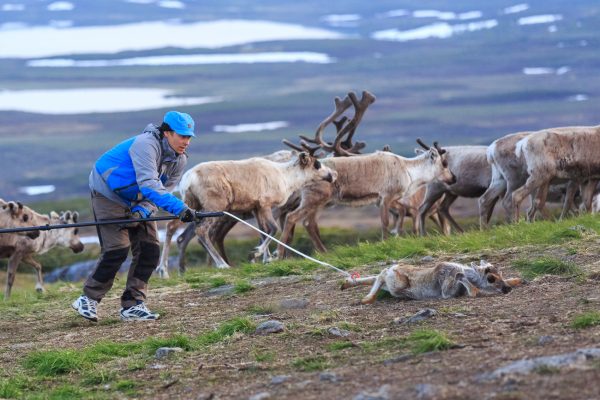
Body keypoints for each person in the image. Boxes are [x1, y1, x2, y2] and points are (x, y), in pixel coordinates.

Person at [72, 111, 197, 322]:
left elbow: (163, 189)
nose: (186, 141)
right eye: (181, 135)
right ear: (167, 133)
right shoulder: (145, 145)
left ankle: (133, 305)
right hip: (108, 194)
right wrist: (181, 209)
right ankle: (88, 299)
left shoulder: (180, 159)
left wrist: (145, 209)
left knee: (150, 250)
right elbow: (149, 183)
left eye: (189, 136)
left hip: (139, 198)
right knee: (117, 249)